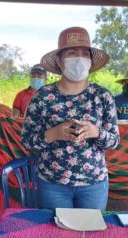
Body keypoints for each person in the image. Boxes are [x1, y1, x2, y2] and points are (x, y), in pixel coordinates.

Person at [21, 27, 120, 210]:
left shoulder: (102, 96)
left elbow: (114, 141)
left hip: (94, 185)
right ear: (59, 60)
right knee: (56, 236)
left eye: (84, 54)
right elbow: (27, 141)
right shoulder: (42, 96)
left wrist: (95, 132)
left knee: (89, 236)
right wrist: (53, 133)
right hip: (52, 185)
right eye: (72, 53)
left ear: (90, 60)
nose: (79, 59)